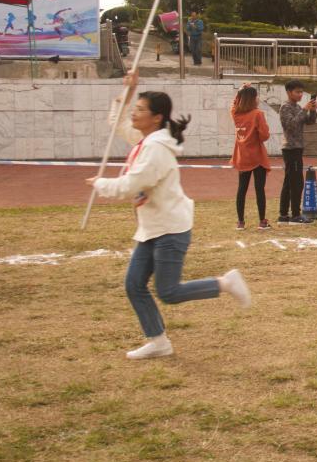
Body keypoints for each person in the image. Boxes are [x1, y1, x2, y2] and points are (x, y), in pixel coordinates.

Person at [87, 71, 251, 360]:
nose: (134, 114)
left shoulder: (156, 150)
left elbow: (131, 185)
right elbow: (116, 122)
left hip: (170, 229)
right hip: (152, 227)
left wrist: (101, 184)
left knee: (169, 291)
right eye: (135, 109)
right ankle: (159, 341)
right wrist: (128, 92)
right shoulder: (145, 139)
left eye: (140, 110)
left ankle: (225, 283)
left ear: (157, 117)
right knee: (134, 284)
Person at [231, 84, 271, 230]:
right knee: (259, 188)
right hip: (257, 156)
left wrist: (242, 89)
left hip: (242, 155)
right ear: (253, 99)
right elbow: (264, 136)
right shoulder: (257, 114)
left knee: (242, 189)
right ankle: (262, 221)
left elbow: (234, 103)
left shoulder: (235, 113)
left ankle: (240, 222)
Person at [279, 79, 317, 223]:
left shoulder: (296, 107)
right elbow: (291, 125)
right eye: (297, 92)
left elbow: (310, 121)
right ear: (289, 92)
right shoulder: (285, 107)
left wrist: (313, 111)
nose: (300, 94)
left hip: (297, 147)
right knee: (296, 182)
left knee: (289, 182)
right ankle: (295, 214)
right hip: (291, 148)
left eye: (302, 92)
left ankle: (283, 214)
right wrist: (305, 109)